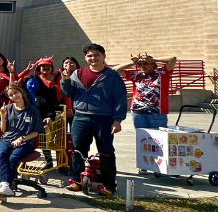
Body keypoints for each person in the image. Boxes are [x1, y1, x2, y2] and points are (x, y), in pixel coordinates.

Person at [60, 43, 128, 196]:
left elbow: (120, 99)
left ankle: (108, 185)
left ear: (103, 56)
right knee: (77, 149)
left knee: (106, 151)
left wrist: (117, 120)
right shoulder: (78, 73)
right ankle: (76, 181)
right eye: (89, 55)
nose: (93, 58)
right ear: (85, 58)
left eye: (97, 55)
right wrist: (65, 81)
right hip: (81, 116)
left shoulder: (112, 75)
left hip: (104, 118)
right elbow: (70, 93)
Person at [0, 82, 43, 199]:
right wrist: (3, 116)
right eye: (11, 95)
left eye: (16, 93)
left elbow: (36, 132)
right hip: (7, 139)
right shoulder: (7, 109)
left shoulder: (33, 110)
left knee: (13, 158)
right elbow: (3, 130)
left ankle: (4, 187)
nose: (14, 96)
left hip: (26, 142)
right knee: (2, 153)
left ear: (21, 92)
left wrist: (22, 138)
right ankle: (5, 186)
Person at [23, 57, 67, 169]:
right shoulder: (31, 82)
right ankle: (26, 160)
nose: (45, 68)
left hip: (54, 112)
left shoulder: (57, 80)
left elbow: (64, 96)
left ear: (52, 67)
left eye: (48, 66)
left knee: (52, 139)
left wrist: (68, 109)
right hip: (34, 115)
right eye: (42, 66)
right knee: (35, 139)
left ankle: (56, 163)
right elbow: (15, 85)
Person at [115, 52, 178, 129]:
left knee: (158, 138)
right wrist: (132, 62)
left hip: (157, 113)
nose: (142, 66)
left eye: (145, 64)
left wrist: (154, 60)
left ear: (152, 64)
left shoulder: (162, 73)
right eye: (140, 64)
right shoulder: (136, 76)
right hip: (138, 112)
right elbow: (115, 70)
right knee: (142, 139)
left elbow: (173, 59)